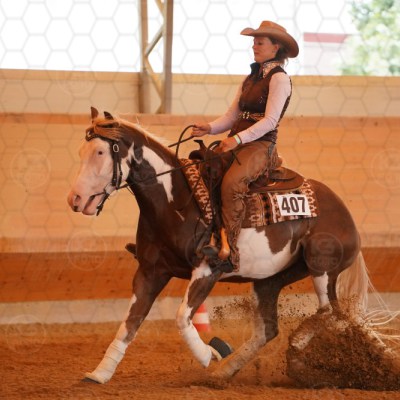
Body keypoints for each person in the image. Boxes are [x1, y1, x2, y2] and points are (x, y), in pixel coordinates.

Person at [191, 20, 299, 271]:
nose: (254, 46)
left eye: (260, 42)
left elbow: (270, 121)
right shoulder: (250, 78)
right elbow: (231, 117)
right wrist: (209, 128)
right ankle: (212, 234)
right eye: (254, 42)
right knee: (203, 171)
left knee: (232, 184)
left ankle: (230, 253)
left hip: (261, 146)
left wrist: (237, 139)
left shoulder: (279, 79)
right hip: (238, 142)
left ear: (275, 47)